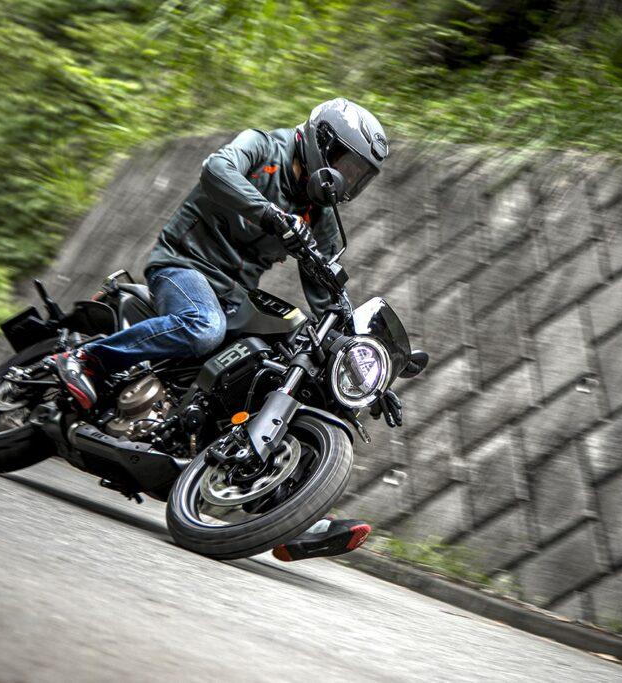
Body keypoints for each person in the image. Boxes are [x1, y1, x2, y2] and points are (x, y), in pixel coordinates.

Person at [51, 98, 394, 561]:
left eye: (359, 175)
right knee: (203, 328)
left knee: (276, 367)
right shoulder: (264, 146)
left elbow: (329, 291)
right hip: (184, 265)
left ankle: (288, 512)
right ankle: (87, 359)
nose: (348, 180)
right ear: (321, 142)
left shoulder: (321, 216)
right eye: (347, 165)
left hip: (234, 294)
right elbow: (217, 170)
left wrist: (361, 364)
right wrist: (270, 214)